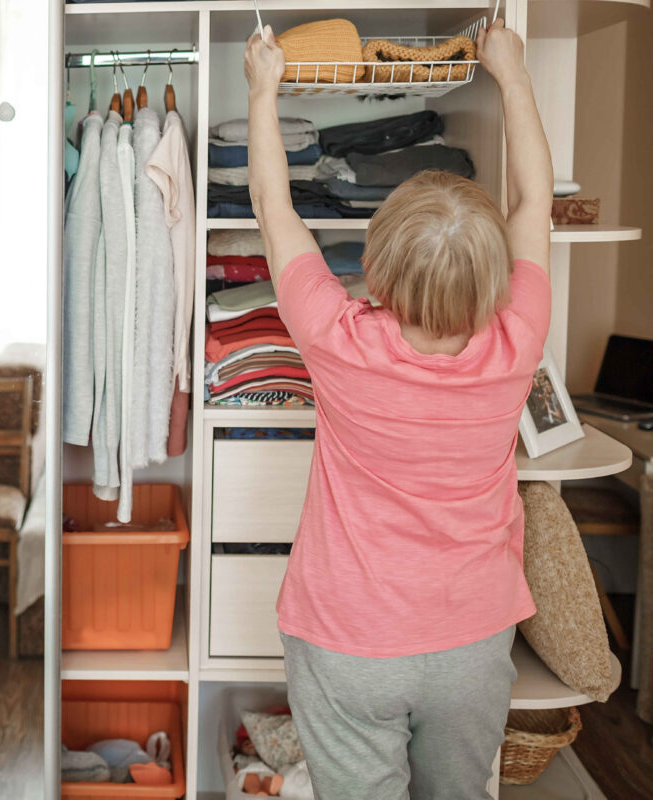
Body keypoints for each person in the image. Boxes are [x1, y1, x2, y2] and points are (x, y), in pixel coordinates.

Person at [244, 18, 552, 800]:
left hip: (348, 639)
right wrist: (510, 74)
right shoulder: (516, 339)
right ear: (496, 280)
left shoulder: (338, 337)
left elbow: (276, 211)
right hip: (473, 640)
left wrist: (262, 91)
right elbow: (534, 201)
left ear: (373, 268)